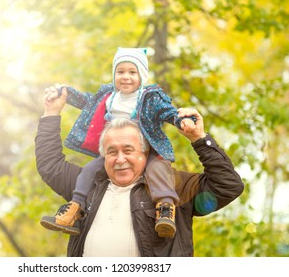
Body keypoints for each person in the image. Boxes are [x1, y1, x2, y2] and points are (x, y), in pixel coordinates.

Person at [35, 90, 244, 257]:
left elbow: (227, 185)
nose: (120, 159)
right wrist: (51, 113)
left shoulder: (174, 187)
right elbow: (50, 165)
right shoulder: (87, 185)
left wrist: (199, 139)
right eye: (111, 152)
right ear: (102, 156)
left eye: (128, 150)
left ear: (145, 153)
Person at [40, 47, 196, 238]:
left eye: (132, 72)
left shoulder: (149, 97)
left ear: (142, 75)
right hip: (116, 149)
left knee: (158, 170)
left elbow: (167, 111)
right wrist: (63, 91)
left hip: (145, 149)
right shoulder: (109, 97)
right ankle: (75, 209)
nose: (125, 77)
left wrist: (181, 120)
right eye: (120, 72)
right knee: (89, 170)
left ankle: (165, 208)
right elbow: (85, 100)